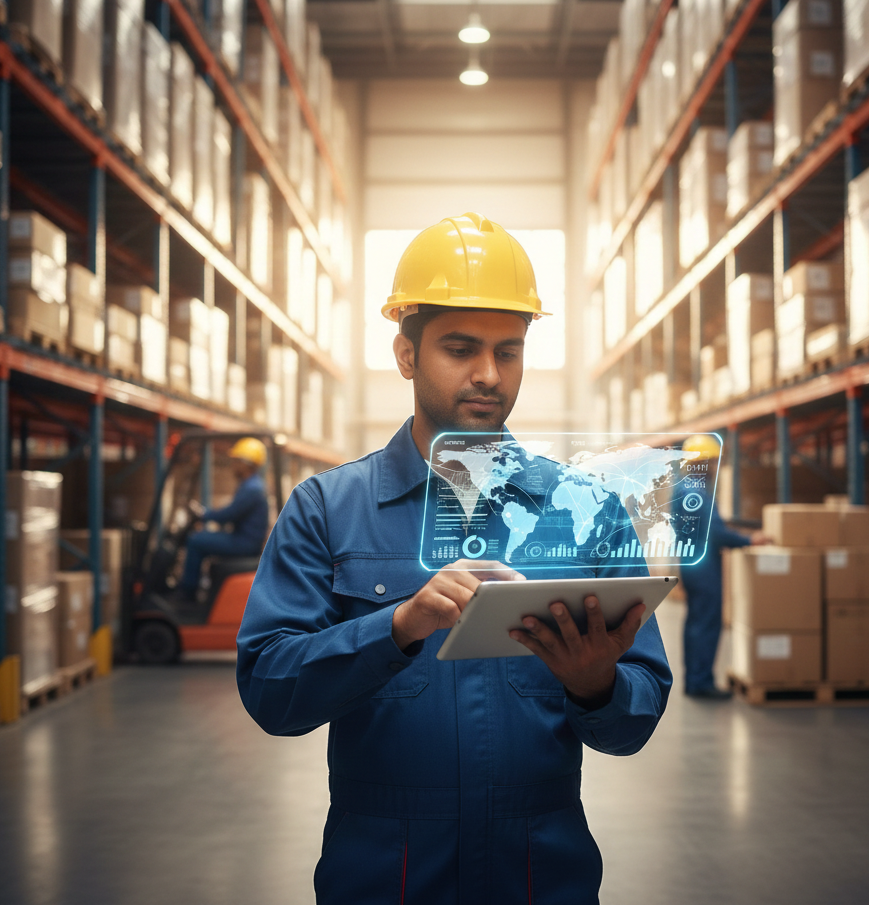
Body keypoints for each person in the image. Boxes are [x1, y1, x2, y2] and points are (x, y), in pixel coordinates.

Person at [236, 213, 672, 905]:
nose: (487, 375)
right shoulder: (326, 508)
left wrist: (597, 687)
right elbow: (268, 690)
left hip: (540, 877)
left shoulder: (586, 511)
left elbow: (636, 716)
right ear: (406, 354)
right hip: (386, 878)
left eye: (508, 350)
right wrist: (396, 628)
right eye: (460, 348)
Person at [679, 434, 770, 699]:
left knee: (696, 623)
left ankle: (695, 679)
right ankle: (700, 682)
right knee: (706, 624)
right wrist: (750, 540)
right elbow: (715, 533)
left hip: (692, 563)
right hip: (704, 567)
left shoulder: (685, 488)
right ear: (703, 462)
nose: (716, 467)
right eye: (714, 461)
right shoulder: (696, 491)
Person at [178, 437, 269, 599]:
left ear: (246, 463)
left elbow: (229, 514)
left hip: (245, 543)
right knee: (202, 540)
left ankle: (187, 594)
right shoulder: (250, 485)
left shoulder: (252, 488)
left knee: (196, 541)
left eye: (236, 461)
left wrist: (204, 515)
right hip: (244, 539)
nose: (232, 465)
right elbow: (233, 515)